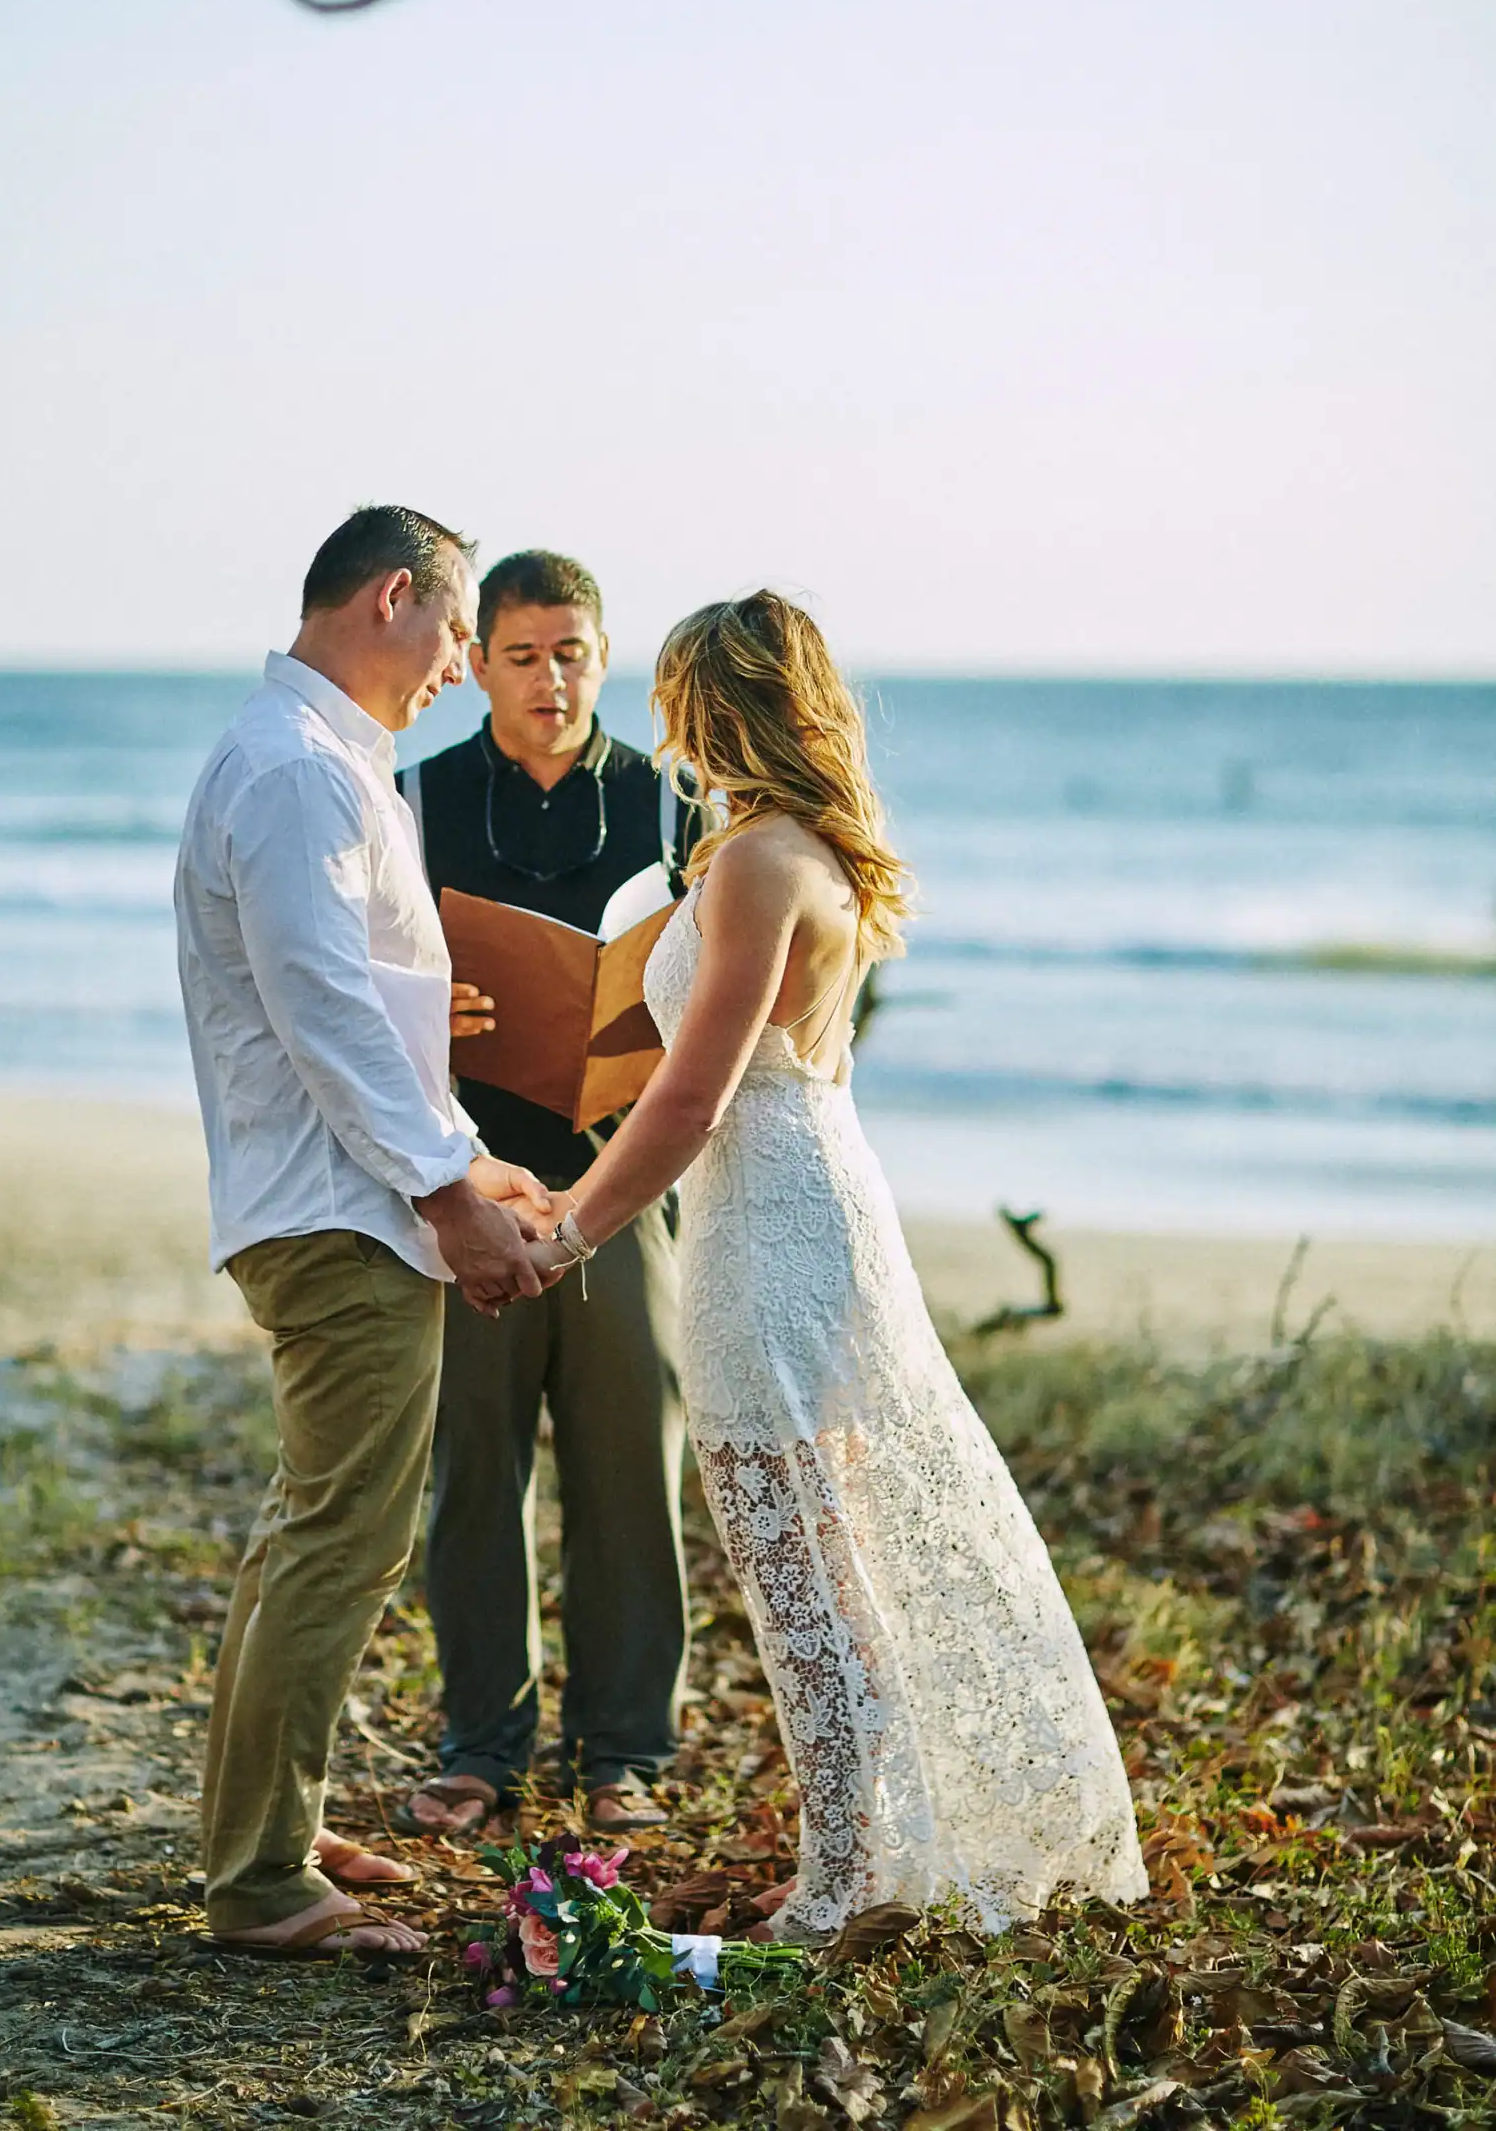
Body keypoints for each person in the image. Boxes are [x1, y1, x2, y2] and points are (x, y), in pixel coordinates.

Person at [528, 593, 1148, 1940]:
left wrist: (568, 1229)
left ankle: (848, 1883)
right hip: (802, 1187)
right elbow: (736, 1073)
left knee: (798, 1562)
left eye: (676, 700)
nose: (667, 728)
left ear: (717, 704)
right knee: (822, 1555)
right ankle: (861, 1857)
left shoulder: (754, 862)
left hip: (770, 1223)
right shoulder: (801, 853)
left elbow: (692, 1101)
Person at [174, 503, 558, 1962]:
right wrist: (451, 1197)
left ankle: (269, 1822)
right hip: (333, 1210)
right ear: (392, 599)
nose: (460, 665)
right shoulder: (291, 772)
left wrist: (475, 1157)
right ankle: (261, 1882)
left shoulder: (324, 763)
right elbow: (319, 1013)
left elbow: (354, 1001)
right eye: (459, 630)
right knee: (344, 1534)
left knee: (311, 1532)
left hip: (345, 1191)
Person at [398, 551, 696, 1840]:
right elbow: (355, 985)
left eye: (572, 652)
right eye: (522, 654)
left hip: (623, 1183)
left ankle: (624, 1748)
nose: (551, 678)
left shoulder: (674, 806)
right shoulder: (413, 797)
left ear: (604, 657)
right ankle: (482, 1744)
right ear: (477, 663)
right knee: (476, 1467)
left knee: (634, 1462)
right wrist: (431, 1014)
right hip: (467, 1182)